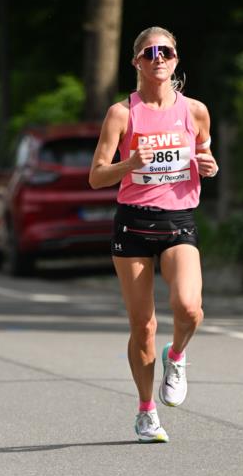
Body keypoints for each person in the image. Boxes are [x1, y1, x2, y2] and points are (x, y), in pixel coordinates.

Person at [89, 26, 219, 442]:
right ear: (137, 62)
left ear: (176, 60)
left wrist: (210, 165)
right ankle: (146, 411)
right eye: (149, 53)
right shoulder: (122, 114)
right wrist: (129, 164)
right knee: (143, 326)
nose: (158, 58)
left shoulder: (195, 111)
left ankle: (177, 356)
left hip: (179, 220)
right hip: (133, 224)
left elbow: (205, 155)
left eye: (166, 52)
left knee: (189, 308)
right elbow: (96, 177)